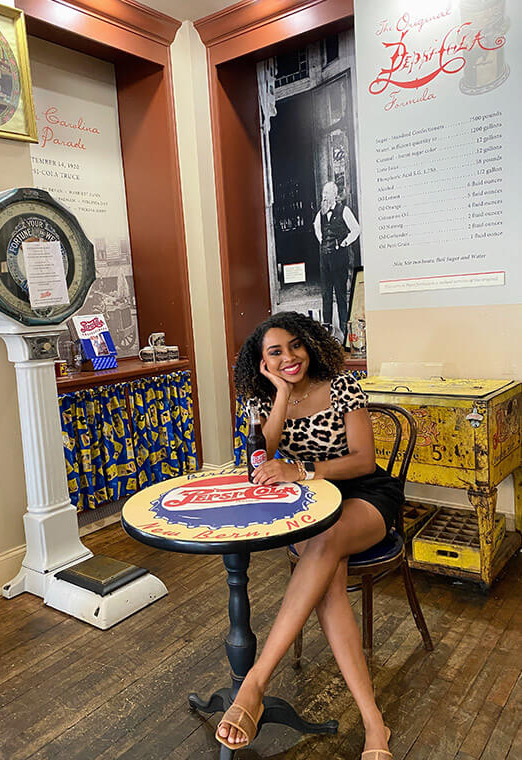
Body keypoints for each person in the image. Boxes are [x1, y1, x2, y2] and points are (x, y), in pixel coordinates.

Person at [223, 311, 399, 759]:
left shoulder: (341, 385)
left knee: (324, 543)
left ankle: (254, 684)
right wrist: (282, 395)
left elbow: (363, 460)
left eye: (295, 345)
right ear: (262, 362)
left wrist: (301, 470)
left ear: (310, 344)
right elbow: (261, 457)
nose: (289, 357)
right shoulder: (263, 399)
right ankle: (374, 724)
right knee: (329, 586)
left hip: (363, 495)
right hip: (307, 506)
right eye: (275, 352)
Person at [313, 181, 360, 340]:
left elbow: (356, 229)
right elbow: (317, 228)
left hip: (339, 259)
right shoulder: (320, 214)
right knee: (326, 295)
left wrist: (345, 242)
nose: (324, 196)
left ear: (334, 194)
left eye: (327, 193)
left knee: (340, 295)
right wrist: (323, 241)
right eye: (323, 193)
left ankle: (345, 332)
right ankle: (327, 332)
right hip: (325, 260)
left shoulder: (344, 210)